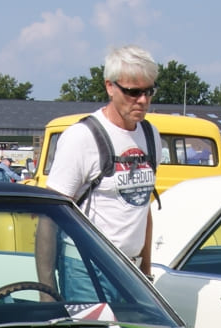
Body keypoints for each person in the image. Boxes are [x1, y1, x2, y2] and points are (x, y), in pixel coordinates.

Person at [38, 44, 162, 276]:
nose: (143, 100)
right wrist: (47, 292)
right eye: (133, 92)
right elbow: (49, 217)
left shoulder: (150, 135)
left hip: (131, 271)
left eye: (149, 91)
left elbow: (142, 206)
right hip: (87, 270)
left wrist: (145, 271)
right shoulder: (82, 137)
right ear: (110, 87)